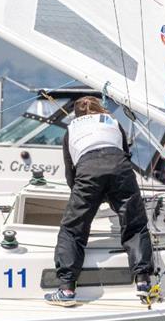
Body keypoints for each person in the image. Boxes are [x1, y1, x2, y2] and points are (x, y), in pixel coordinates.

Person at [45, 96, 153, 307]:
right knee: (134, 224)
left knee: (72, 229)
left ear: (77, 114)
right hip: (120, 169)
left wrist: (84, 197)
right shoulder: (113, 122)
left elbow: (70, 171)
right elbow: (125, 154)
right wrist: (111, 193)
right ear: (100, 108)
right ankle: (143, 282)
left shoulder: (72, 128)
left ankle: (66, 289)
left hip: (88, 170)